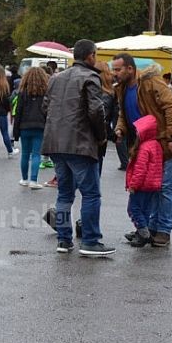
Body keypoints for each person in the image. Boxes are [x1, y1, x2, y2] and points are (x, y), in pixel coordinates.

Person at [112, 53, 172, 247]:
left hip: (167, 144)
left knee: (165, 187)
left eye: (118, 69)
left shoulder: (152, 82)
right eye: (113, 69)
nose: (114, 73)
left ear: (130, 69)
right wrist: (120, 128)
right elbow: (124, 113)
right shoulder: (122, 88)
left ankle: (163, 230)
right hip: (148, 145)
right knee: (150, 187)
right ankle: (149, 228)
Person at [42, 39, 111, 256]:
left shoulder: (55, 78)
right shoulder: (91, 77)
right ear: (91, 55)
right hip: (80, 143)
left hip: (56, 143)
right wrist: (101, 137)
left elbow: (46, 107)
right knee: (91, 194)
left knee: (64, 195)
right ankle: (90, 240)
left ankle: (64, 240)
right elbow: (96, 110)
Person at [125, 115, 163, 247]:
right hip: (153, 185)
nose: (136, 133)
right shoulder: (156, 145)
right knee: (146, 210)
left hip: (142, 186)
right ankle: (141, 231)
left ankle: (143, 233)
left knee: (133, 209)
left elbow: (140, 170)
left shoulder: (144, 148)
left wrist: (133, 185)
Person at [13, 65, 48, 189]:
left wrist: (15, 131)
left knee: (25, 154)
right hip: (39, 126)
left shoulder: (22, 93)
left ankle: (24, 179)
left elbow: (18, 112)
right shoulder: (45, 93)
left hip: (24, 126)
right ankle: (34, 180)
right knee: (36, 154)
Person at [94, 60, 118, 175]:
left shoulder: (90, 91)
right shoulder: (108, 94)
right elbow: (104, 119)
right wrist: (111, 135)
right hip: (98, 139)